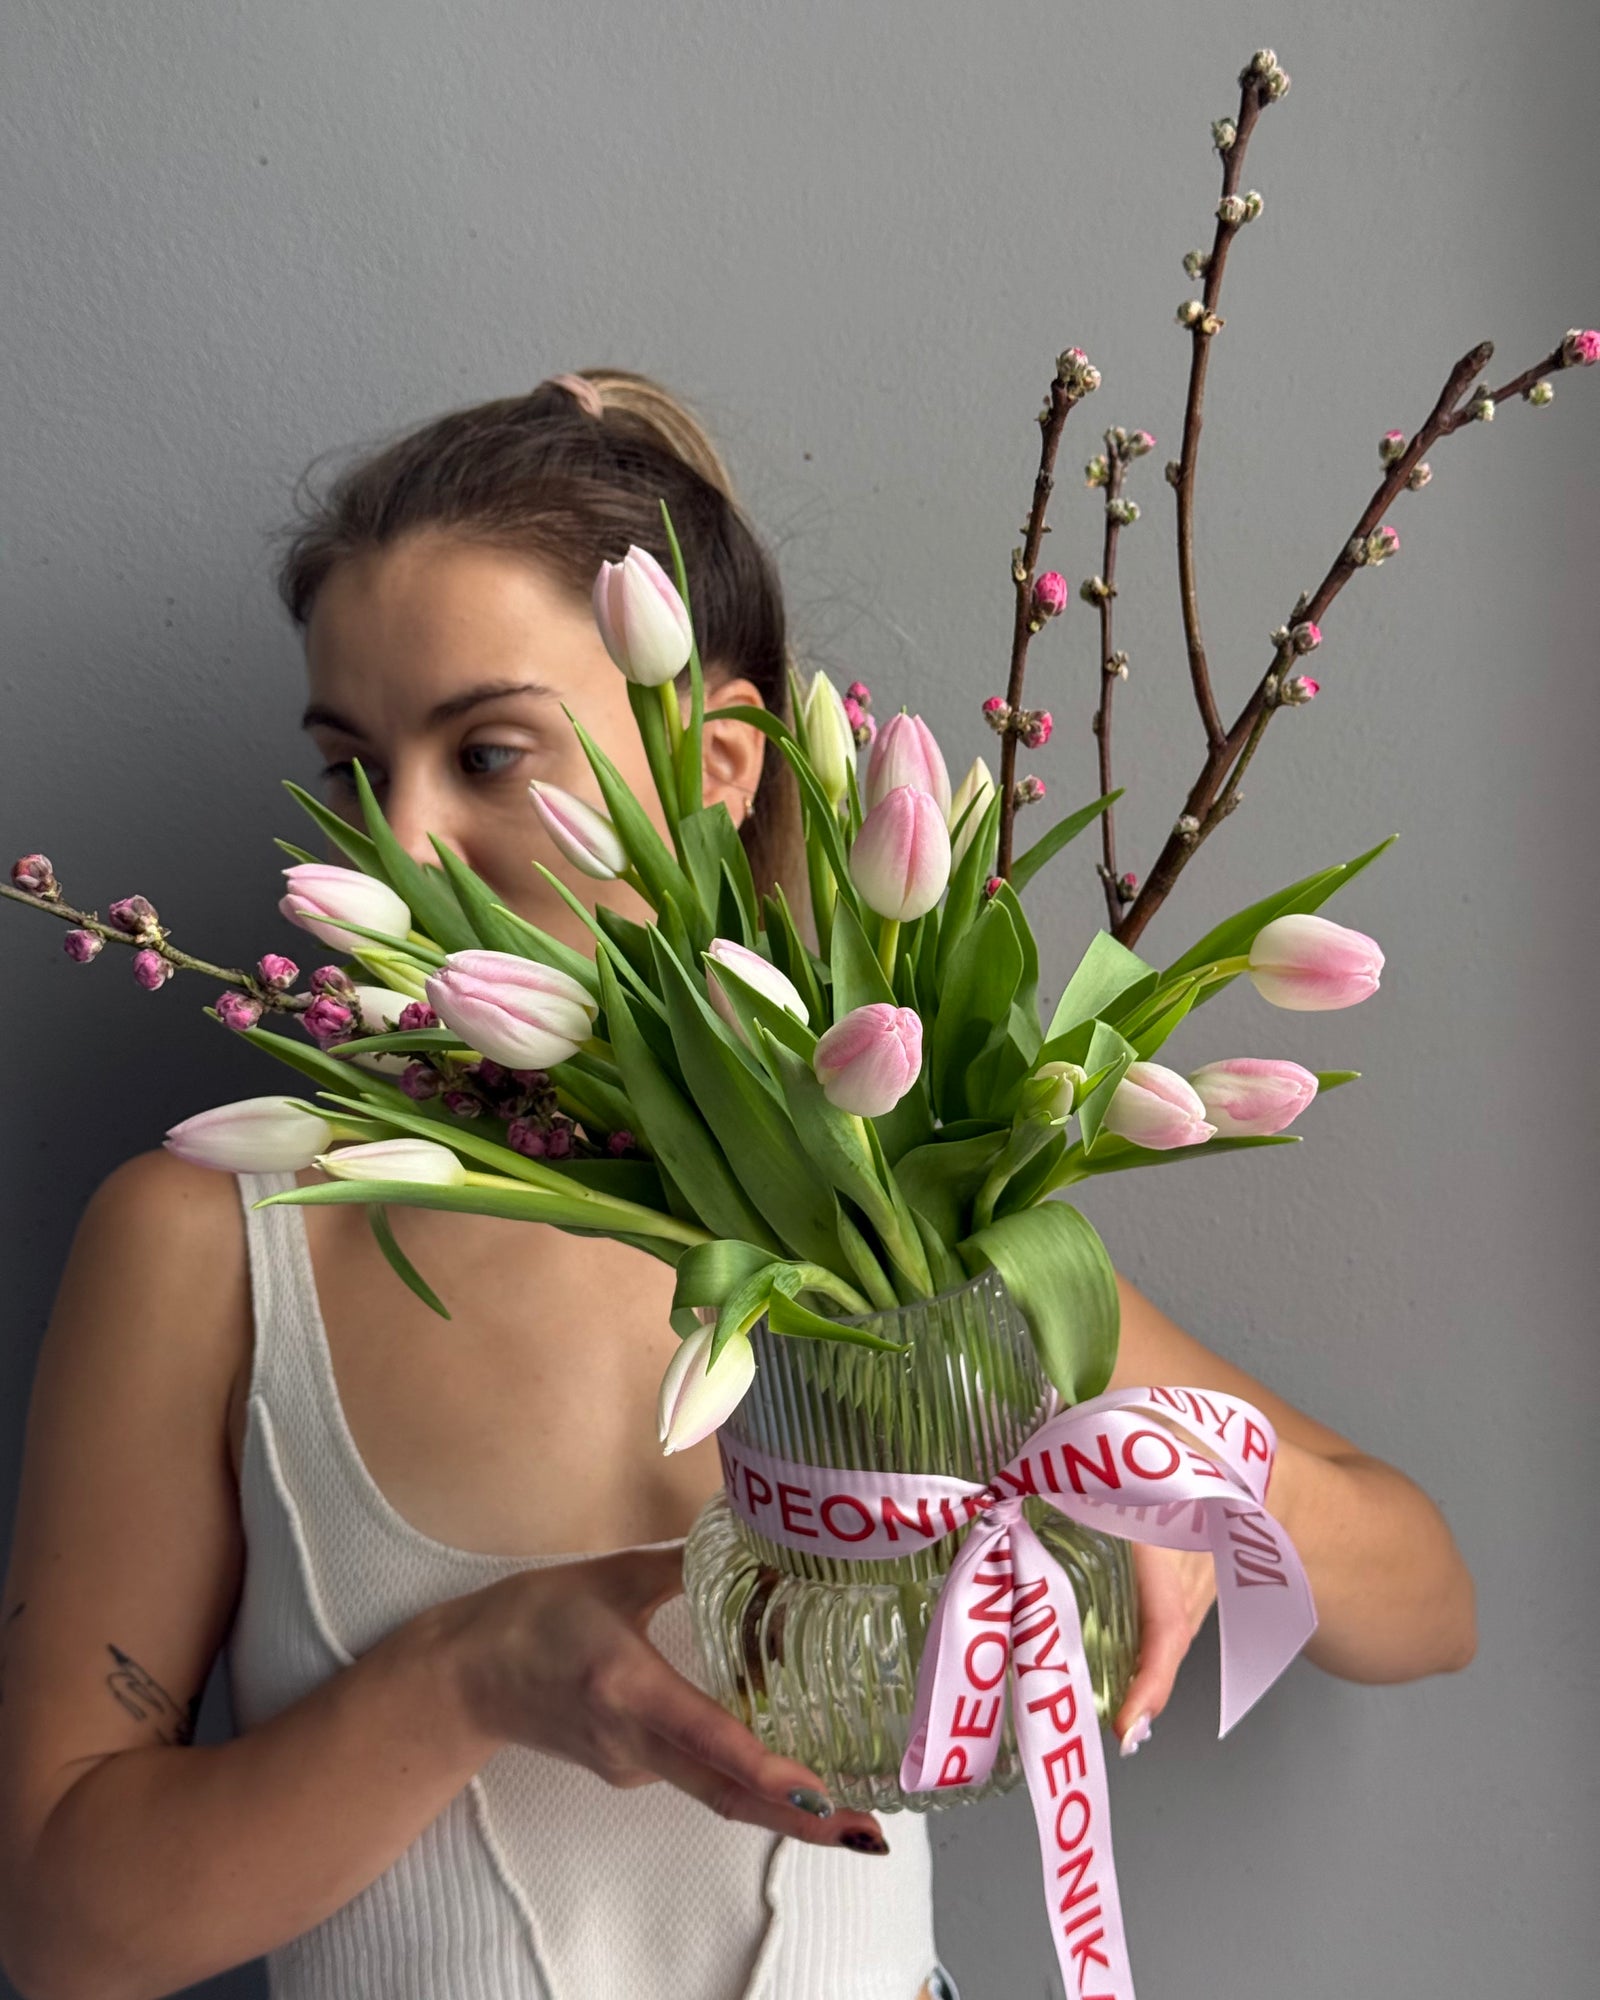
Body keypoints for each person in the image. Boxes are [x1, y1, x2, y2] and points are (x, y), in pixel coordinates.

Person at [0, 369, 1477, 2000]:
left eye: (486, 754)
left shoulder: (896, 1217)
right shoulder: (219, 1244)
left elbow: (1423, 1608)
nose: (397, 849)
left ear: (717, 764)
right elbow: (61, 1932)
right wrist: (477, 1677)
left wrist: (1179, 1476)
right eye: (355, 770)